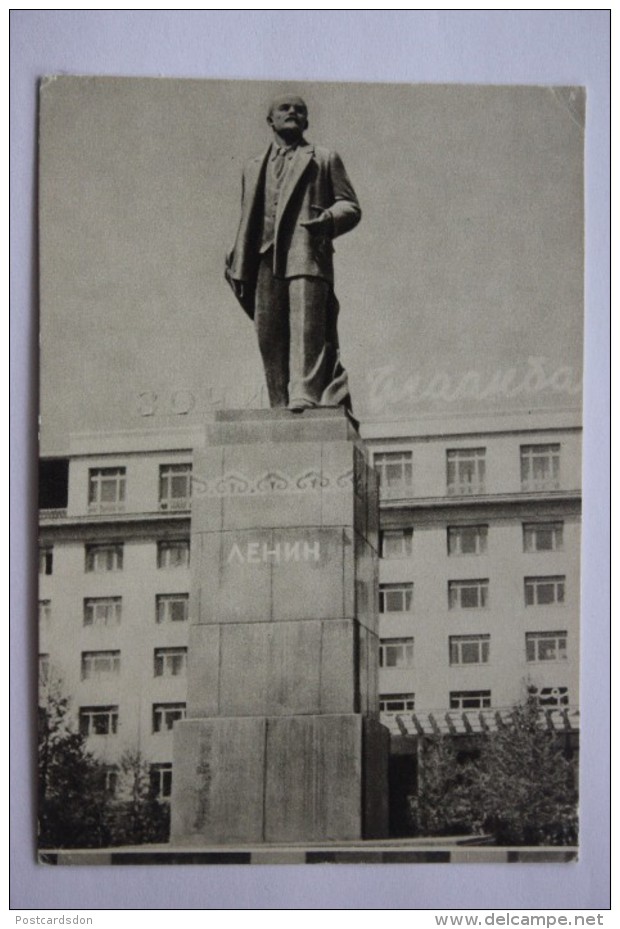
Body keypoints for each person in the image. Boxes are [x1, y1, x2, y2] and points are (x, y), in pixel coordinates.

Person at [225, 94, 361, 411]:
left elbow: (351, 206)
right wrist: (237, 258)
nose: (293, 113)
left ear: (307, 121)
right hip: (262, 258)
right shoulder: (252, 167)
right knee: (268, 333)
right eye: (284, 109)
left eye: (300, 110)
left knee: (306, 328)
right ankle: (278, 400)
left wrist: (327, 219)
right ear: (270, 120)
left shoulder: (324, 158)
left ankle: (305, 393)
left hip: (306, 253)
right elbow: (250, 217)